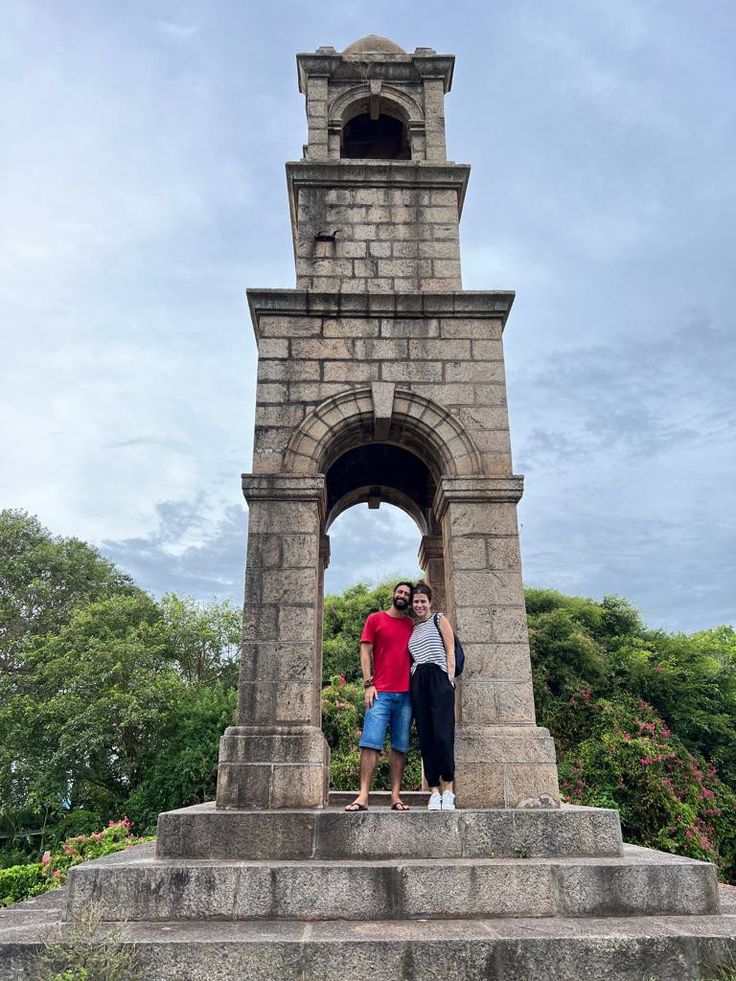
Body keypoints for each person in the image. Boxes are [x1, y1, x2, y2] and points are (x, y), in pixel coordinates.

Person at [345, 581, 414, 812]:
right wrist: (368, 683)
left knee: (400, 747)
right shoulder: (375, 619)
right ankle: (363, 796)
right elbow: (365, 650)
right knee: (370, 743)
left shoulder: (412, 625)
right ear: (393, 594)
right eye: (400, 592)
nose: (402, 595)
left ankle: (396, 796)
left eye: (407, 594)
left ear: (410, 599)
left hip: (406, 695)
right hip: (380, 692)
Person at [409, 582, 456, 811]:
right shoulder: (413, 628)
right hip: (418, 681)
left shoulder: (439, 619)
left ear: (430, 602)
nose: (419, 605)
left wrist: (450, 679)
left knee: (443, 736)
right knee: (426, 737)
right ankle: (434, 790)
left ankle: (448, 790)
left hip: (439, 678)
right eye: (415, 601)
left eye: (422, 601)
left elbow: (450, 650)